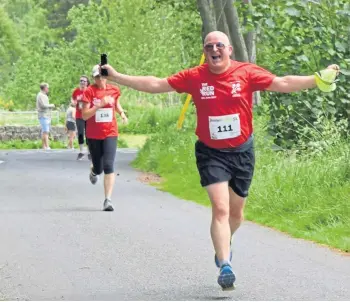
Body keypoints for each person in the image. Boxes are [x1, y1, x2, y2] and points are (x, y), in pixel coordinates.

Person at [100, 31, 340, 290]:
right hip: (210, 152)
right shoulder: (194, 76)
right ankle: (225, 264)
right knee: (221, 209)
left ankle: (223, 246)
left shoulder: (246, 72)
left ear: (229, 50)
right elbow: (156, 84)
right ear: (205, 52)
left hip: (242, 152)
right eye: (209, 46)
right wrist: (116, 77)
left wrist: (315, 80)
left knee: (236, 215)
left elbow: (282, 82)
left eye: (219, 46)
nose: (214, 50)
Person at [81, 65, 128, 212]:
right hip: (94, 135)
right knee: (99, 168)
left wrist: (122, 114)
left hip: (110, 133)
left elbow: (116, 104)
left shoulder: (114, 90)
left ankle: (107, 200)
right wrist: (99, 105)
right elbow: (84, 115)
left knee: (108, 166)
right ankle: (94, 170)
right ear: (93, 78)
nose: (100, 79)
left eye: (102, 76)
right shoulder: (89, 92)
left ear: (106, 76)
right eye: (97, 77)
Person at [72, 75, 91, 160]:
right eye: (81, 81)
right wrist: (74, 103)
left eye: (84, 81)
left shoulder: (90, 91)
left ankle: (89, 152)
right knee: (80, 133)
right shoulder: (76, 91)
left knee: (89, 133)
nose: (82, 82)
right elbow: (73, 99)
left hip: (88, 115)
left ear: (87, 83)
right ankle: (81, 151)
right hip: (79, 115)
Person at [36, 82, 55, 150]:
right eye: (47, 88)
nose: (48, 89)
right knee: (46, 131)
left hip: (46, 115)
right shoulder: (41, 95)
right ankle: (47, 146)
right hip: (43, 115)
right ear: (44, 88)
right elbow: (43, 105)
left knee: (44, 131)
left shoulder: (43, 95)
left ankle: (44, 146)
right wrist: (51, 105)